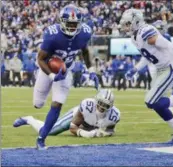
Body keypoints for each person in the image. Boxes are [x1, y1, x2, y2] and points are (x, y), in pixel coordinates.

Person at [120, 9, 173, 143]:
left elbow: (171, 47)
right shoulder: (134, 37)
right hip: (160, 69)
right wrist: (135, 69)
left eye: (128, 24)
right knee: (156, 104)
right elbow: (147, 56)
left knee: (151, 101)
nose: (126, 27)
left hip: (168, 68)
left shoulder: (145, 32)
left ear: (136, 22)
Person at [33, 5, 98, 150]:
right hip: (47, 70)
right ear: (62, 21)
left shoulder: (84, 33)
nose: (72, 27)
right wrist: (51, 75)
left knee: (57, 103)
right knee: (38, 104)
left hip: (65, 71)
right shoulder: (52, 34)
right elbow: (41, 59)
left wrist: (92, 70)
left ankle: (41, 139)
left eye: (75, 24)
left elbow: (85, 51)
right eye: (69, 23)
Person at [13, 89, 120, 138]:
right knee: (48, 132)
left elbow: (110, 130)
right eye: (100, 103)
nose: (102, 107)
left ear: (110, 106)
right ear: (96, 100)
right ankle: (29, 119)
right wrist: (85, 134)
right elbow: (73, 127)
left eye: (105, 105)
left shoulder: (114, 115)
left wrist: (105, 134)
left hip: (89, 125)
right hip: (76, 118)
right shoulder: (87, 106)